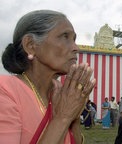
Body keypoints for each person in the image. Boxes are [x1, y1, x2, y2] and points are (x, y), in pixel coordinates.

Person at [0, 10, 96, 144]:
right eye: (64, 36)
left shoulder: (62, 95)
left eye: (74, 39)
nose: (75, 48)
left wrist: (74, 119)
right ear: (30, 45)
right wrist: (63, 117)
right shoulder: (5, 91)